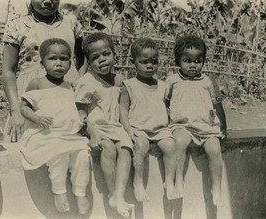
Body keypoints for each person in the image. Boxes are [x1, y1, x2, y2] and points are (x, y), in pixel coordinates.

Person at [20, 38, 90, 214]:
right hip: (46, 134)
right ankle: (59, 191)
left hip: (69, 134)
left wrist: (82, 118)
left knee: (82, 155)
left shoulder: (70, 86)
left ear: (70, 62)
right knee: (58, 153)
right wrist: (36, 118)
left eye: (64, 59)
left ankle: (80, 192)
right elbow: (24, 107)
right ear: (42, 62)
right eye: (52, 59)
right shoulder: (37, 83)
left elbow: (76, 108)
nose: (58, 63)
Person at [2, 0, 84, 143]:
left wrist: (80, 86)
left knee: (71, 145)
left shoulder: (71, 23)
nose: (47, 1)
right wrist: (16, 110)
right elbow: (8, 70)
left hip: (67, 93)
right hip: (32, 96)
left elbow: (83, 60)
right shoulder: (17, 26)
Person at [74, 32, 134, 218]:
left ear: (114, 53)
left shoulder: (119, 79)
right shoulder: (87, 82)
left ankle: (119, 194)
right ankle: (112, 193)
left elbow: (123, 109)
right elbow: (81, 112)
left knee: (126, 148)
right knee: (108, 148)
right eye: (95, 57)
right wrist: (92, 133)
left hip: (115, 126)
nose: (102, 60)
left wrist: (129, 129)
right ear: (89, 62)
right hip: (96, 127)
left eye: (106, 54)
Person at [167, 34, 227, 206]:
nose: (193, 65)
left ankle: (216, 186)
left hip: (205, 126)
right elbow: (164, 102)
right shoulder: (172, 80)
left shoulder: (208, 81)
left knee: (215, 150)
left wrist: (223, 126)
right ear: (178, 60)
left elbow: (218, 105)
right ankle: (178, 180)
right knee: (179, 143)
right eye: (187, 60)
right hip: (182, 125)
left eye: (197, 60)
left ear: (203, 61)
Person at [120, 38, 177, 202]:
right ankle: (138, 182)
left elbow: (169, 107)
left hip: (160, 129)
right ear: (133, 62)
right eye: (144, 62)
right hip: (139, 128)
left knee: (171, 146)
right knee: (141, 145)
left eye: (154, 61)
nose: (149, 66)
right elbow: (122, 109)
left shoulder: (164, 86)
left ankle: (169, 182)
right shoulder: (129, 85)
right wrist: (128, 129)